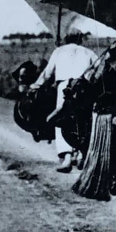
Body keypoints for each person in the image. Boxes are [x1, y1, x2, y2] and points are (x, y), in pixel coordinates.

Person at [30, 29, 98, 173]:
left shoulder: (59, 51)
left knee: (61, 119)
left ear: (66, 38)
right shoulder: (88, 52)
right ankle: (81, 155)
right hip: (82, 88)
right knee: (83, 120)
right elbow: (98, 69)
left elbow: (47, 73)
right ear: (80, 39)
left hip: (64, 88)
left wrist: (35, 86)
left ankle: (66, 158)